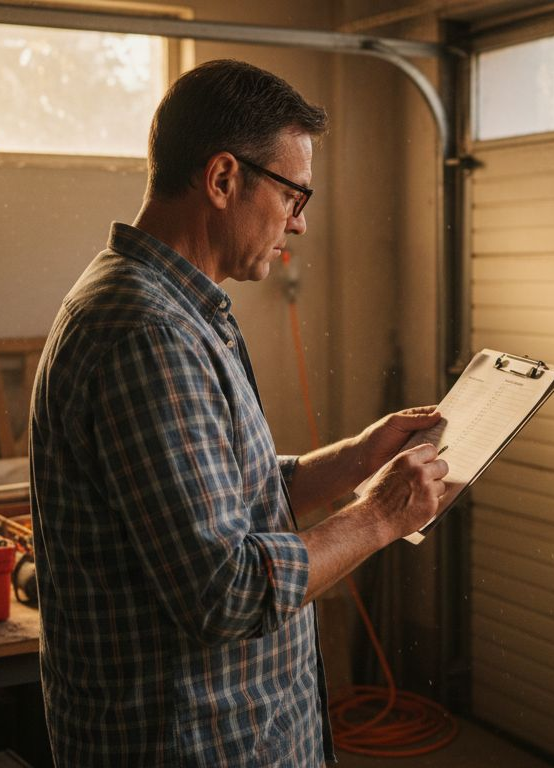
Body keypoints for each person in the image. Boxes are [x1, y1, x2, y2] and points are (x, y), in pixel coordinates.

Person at [28, 59, 450, 767]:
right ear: (223, 179)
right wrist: (382, 516)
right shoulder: (148, 332)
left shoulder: (176, 310)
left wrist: (356, 459)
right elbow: (224, 591)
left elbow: (230, 499)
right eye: (294, 195)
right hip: (190, 746)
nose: (302, 224)